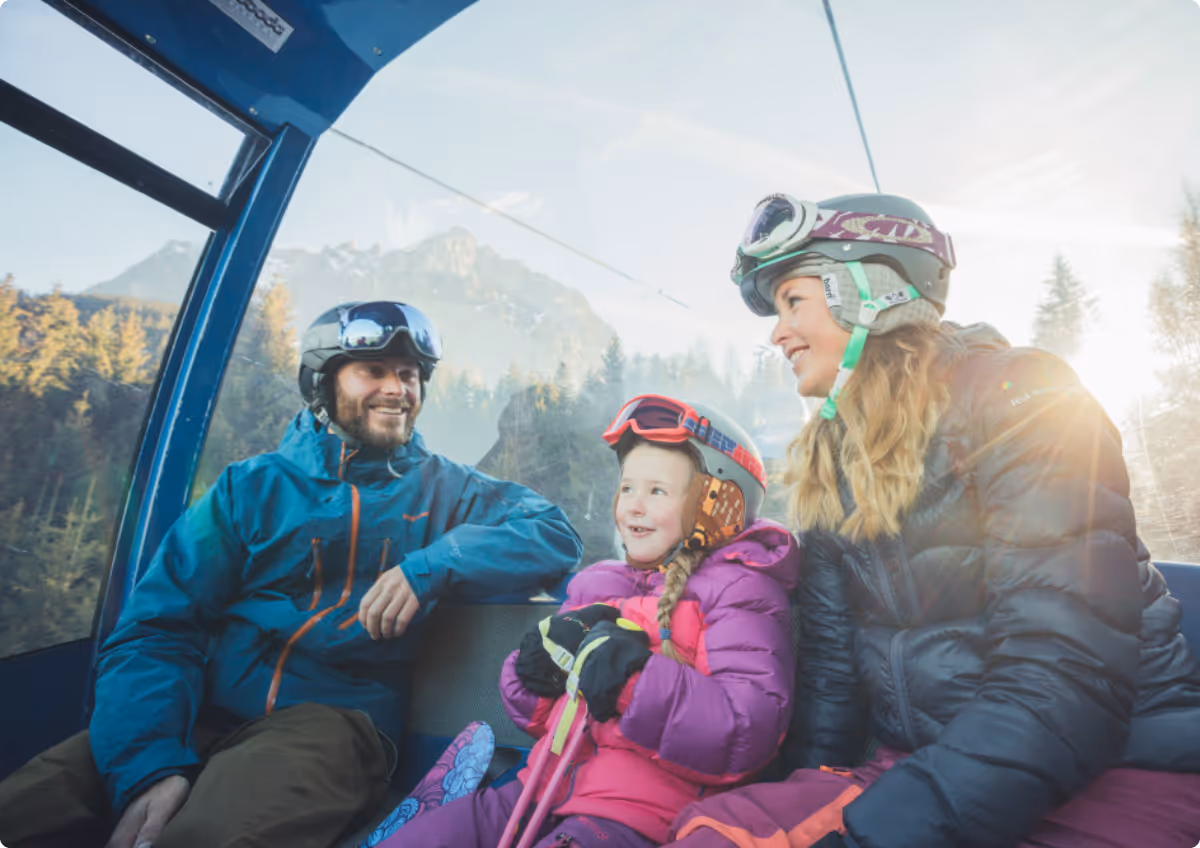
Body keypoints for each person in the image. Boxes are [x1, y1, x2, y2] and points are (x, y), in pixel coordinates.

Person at [669, 194, 1200, 848]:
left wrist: (886, 830)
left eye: (793, 303)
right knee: (709, 835)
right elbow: (834, 680)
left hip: (1111, 770)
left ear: (870, 290)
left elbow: (1063, 674)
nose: (777, 333)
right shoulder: (837, 459)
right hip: (929, 769)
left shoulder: (1025, 397)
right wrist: (813, 792)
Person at [0, 300, 583, 848]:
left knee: (215, 832)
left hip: (334, 724)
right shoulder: (248, 489)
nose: (396, 389)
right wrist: (150, 765)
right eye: (372, 371)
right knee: (34, 805)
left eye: (409, 374)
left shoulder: (445, 489)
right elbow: (157, 629)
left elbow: (554, 531)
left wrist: (431, 566)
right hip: (198, 713)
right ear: (323, 385)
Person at [378, 394, 801, 848]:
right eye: (627, 487)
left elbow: (747, 732)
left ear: (718, 504)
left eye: (657, 490)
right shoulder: (598, 585)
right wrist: (533, 674)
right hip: (537, 790)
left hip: (633, 816)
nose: (634, 506)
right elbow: (538, 722)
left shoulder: (739, 590)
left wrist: (632, 681)